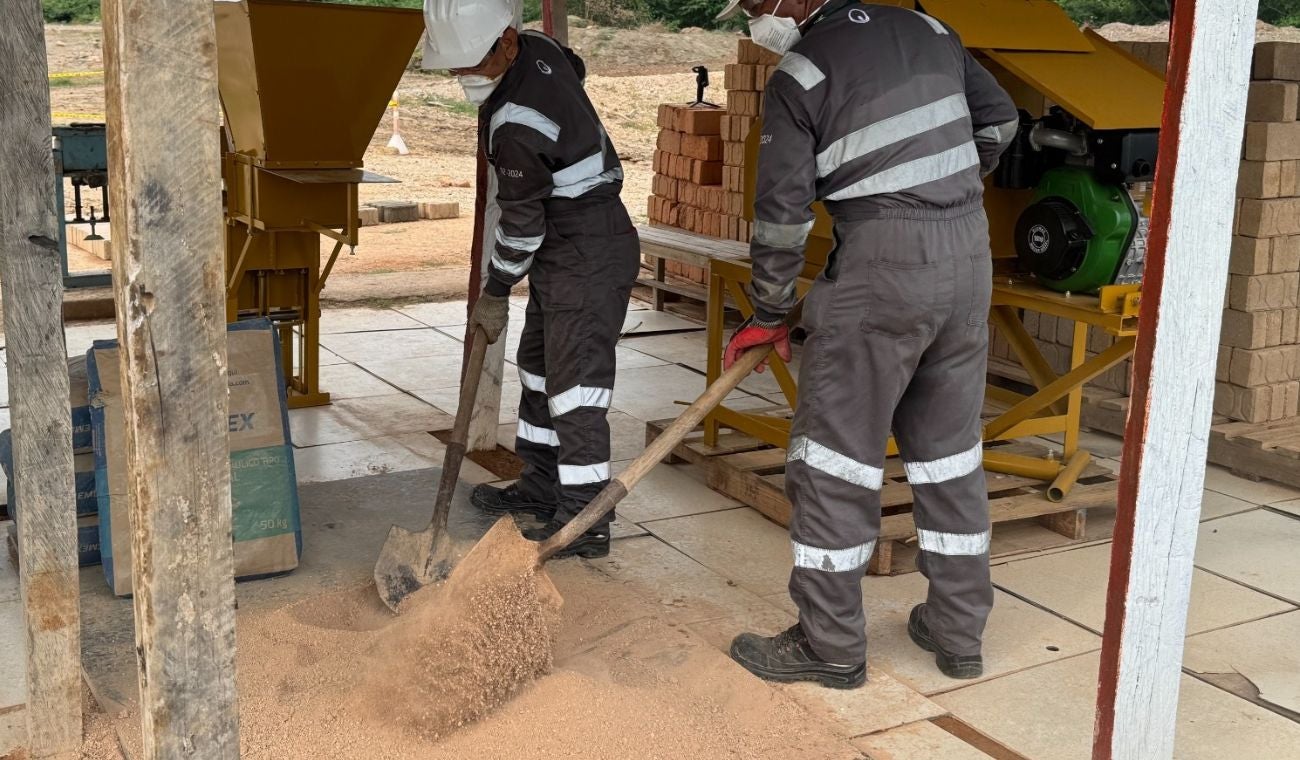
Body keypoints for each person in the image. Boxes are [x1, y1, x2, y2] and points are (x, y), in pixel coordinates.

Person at [716, 0, 1019, 688]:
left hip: (882, 263)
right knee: (949, 455)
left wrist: (768, 310)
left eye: (756, 4)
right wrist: (945, 187)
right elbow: (1000, 121)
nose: (753, 17)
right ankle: (957, 629)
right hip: (968, 252)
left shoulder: (800, 72)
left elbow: (782, 214)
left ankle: (829, 644)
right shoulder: (931, 29)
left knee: (834, 461)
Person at [424, 0, 640, 558]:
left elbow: (521, 226)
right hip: (569, 242)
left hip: (587, 246)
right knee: (541, 370)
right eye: (457, 66)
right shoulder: (542, 50)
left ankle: (586, 518)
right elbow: (575, 66)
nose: (463, 77)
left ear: (508, 43)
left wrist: (495, 291)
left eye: (473, 64)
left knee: (576, 388)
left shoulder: (517, 124)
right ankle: (543, 486)